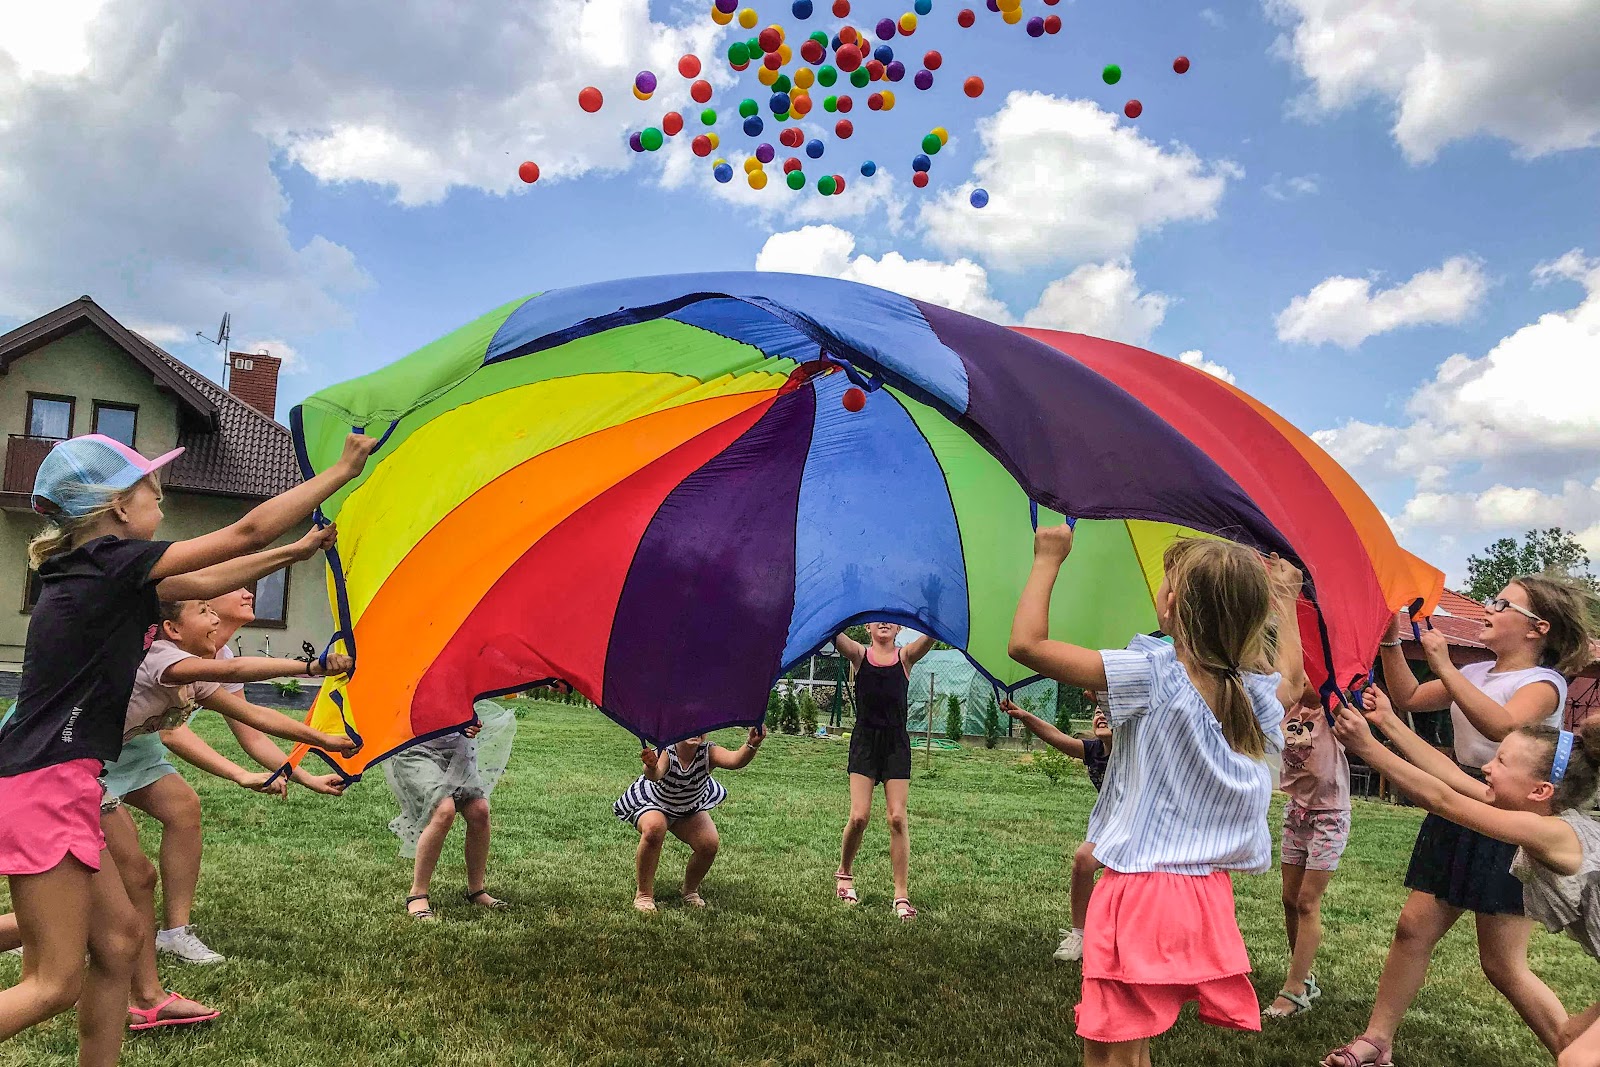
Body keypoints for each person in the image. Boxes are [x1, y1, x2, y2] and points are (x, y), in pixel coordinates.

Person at [0, 430, 375, 1066]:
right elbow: (245, 534)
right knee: (52, 983)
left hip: (63, 779)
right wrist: (341, 470)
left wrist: (300, 551)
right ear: (119, 506)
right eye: (153, 488)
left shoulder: (98, 574)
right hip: (47, 781)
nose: (162, 502)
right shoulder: (110, 563)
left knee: (118, 941)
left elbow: (221, 571)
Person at [1010, 527, 1306, 1067]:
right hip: (1202, 896)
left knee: (1108, 1052)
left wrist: (1047, 558)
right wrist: (1286, 599)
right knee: (1128, 1044)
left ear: (1171, 606)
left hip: (1141, 892)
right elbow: (1294, 676)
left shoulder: (1153, 673)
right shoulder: (1252, 690)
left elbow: (1027, 646)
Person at [1323, 578, 1595, 1067]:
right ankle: (1378, 1040)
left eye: (1501, 603)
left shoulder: (1543, 685)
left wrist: (1447, 665)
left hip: (1511, 814)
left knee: (1502, 964)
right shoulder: (1479, 671)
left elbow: (1499, 725)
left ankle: (1571, 1048)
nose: (1488, 609)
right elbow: (1405, 694)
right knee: (1413, 928)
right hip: (1468, 787)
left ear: (1538, 629)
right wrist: (1391, 639)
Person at [139, 586, 347, 965]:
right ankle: (42, 924)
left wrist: (311, 765)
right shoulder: (168, 658)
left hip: (132, 747)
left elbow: (253, 723)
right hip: (83, 753)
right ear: (173, 623)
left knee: (183, 811)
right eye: (206, 604)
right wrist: (312, 666)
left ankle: (173, 933)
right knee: (111, 865)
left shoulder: (213, 658)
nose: (248, 591)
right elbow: (173, 731)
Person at [831, 623, 935, 919]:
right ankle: (844, 873)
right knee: (859, 816)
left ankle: (901, 896)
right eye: (877, 618)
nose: (884, 623)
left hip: (895, 744)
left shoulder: (906, 658)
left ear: (900, 626)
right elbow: (834, 633)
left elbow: (931, 636)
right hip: (865, 741)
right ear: (868, 625)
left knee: (897, 818)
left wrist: (937, 608)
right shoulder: (859, 655)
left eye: (890, 618)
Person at [385, 700, 518, 920]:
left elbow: (467, 698)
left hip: (455, 748)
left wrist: (470, 721)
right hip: (413, 746)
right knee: (444, 810)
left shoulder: (461, 668)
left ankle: (476, 890)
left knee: (479, 810)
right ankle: (417, 894)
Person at [1003, 693, 1112, 962]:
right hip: (1111, 823)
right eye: (1097, 710)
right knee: (1082, 860)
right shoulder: (1093, 751)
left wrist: (1095, 687)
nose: (1100, 714)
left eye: (1108, 709)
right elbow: (1056, 737)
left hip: (1144, 825)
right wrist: (1025, 716)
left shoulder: (1134, 749)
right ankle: (1080, 935)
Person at [1265, 684, 1351, 1019]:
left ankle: (1294, 987)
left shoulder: (1333, 710)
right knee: (1289, 898)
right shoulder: (1285, 706)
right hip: (1296, 810)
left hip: (1330, 815)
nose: (1301, 683)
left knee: (1307, 901)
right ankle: (1302, 976)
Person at [615, 727, 765, 912]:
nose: (695, 731)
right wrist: (651, 765)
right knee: (654, 828)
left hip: (688, 807)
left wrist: (752, 744)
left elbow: (735, 760)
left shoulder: (708, 752)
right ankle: (644, 894)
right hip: (655, 803)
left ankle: (690, 890)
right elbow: (654, 775)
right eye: (689, 726)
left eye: (700, 727)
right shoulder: (667, 751)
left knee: (709, 844)